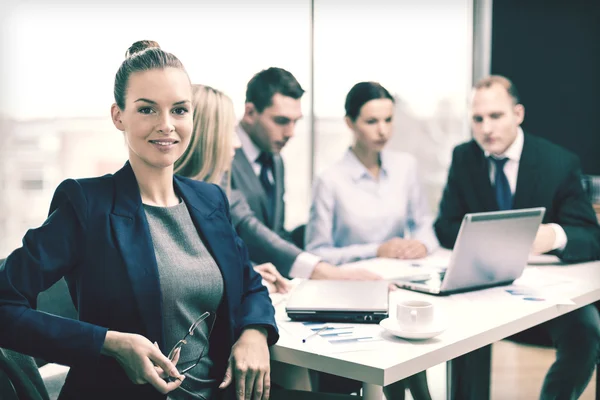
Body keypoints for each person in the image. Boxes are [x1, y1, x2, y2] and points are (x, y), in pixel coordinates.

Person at [0, 42, 277, 400]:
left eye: (179, 110)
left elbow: (250, 283)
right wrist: (110, 343)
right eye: (147, 109)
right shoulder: (86, 204)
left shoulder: (209, 199)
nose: (166, 125)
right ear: (119, 116)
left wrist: (255, 332)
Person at [435, 75, 600, 399]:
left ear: (518, 114)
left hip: (544, 292)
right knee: (459, 333)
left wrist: (552, 235)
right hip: (481, 286)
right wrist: (489, 240)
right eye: (477, 119)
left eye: (495, 116)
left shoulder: (559, 162)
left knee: (586, 331)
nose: (486, 128)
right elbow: (445, 226)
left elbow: (591, 237)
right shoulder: (464, 157)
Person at [231, 67, 380, 281]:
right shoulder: (223, 156)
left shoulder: (275, 159)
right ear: (250, 113)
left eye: (295, 121)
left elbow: (276, 232)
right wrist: (323, 272)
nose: (290, 132)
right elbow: (246, 228)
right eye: (281, 121)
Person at [305, 81, 439, 266]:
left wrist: (422, 244)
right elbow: (316, 253)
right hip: (349, 281)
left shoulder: (406, 167)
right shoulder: (329, 180)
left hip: (400, 273)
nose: (382, 131)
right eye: (371, 122)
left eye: (388, 120)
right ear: (349, 123)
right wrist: (376, 251)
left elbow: (423, 223)